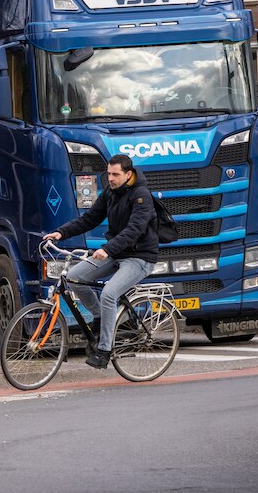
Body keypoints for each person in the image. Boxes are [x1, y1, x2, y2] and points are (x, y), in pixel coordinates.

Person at [43, 154, 158, 369]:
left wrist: (107, 249)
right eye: (109, 173)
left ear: (128, 174)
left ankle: (104, 350)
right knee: (74, 278)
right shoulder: (110, 192)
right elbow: (89, 218)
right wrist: (61, 232)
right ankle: (99, 316)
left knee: (109, 294)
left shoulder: (141, 195)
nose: (110, 178)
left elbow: (134, 230)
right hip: (116, 252)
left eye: (115, 174)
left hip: (140, 257)